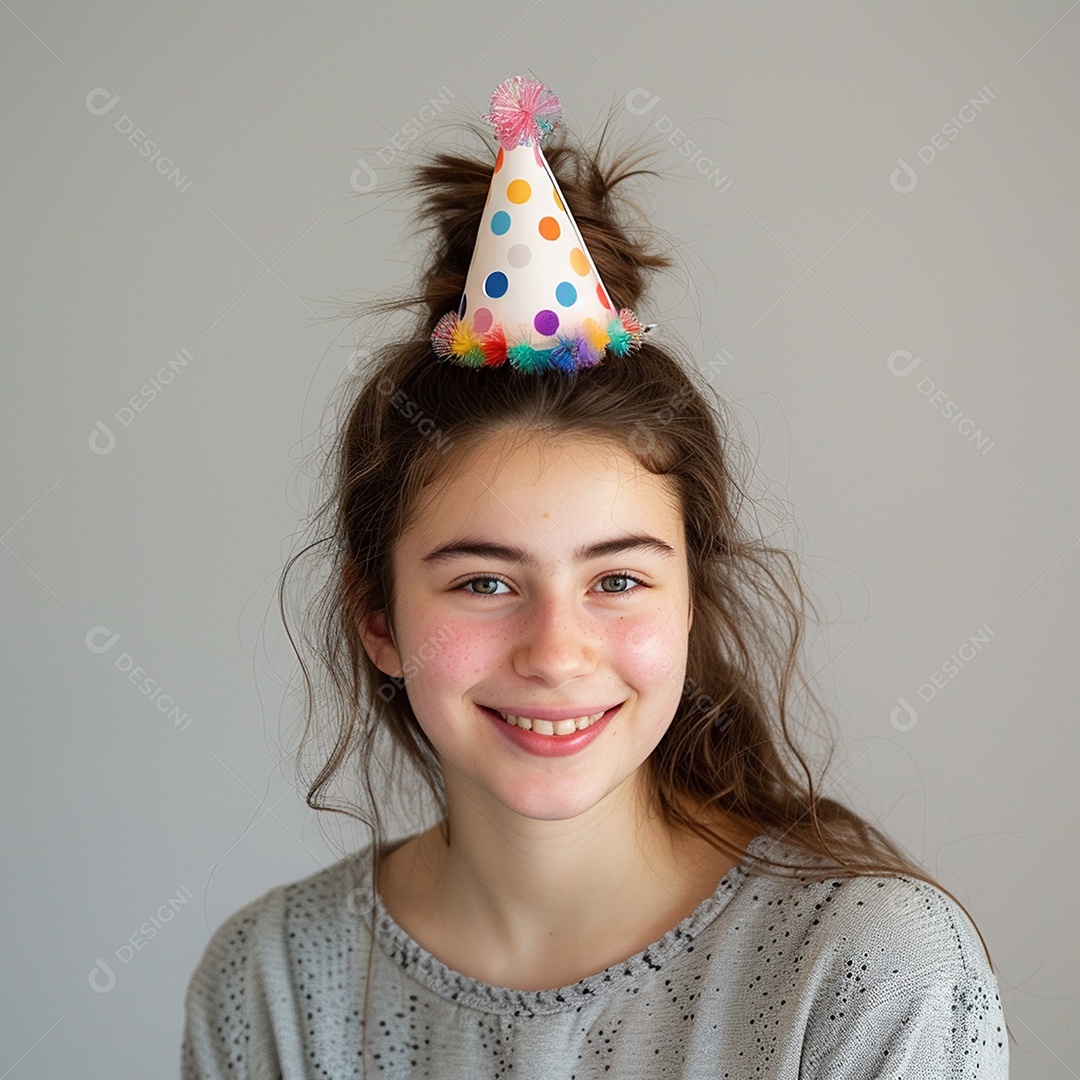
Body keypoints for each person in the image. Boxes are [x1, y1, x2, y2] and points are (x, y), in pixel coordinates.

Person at [181, 76, 1009, 1078]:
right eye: (485, 583)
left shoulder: (870, 970)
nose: (557, 653)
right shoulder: (270, 982)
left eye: (617, 580)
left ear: (691, 600)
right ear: (377, 615)